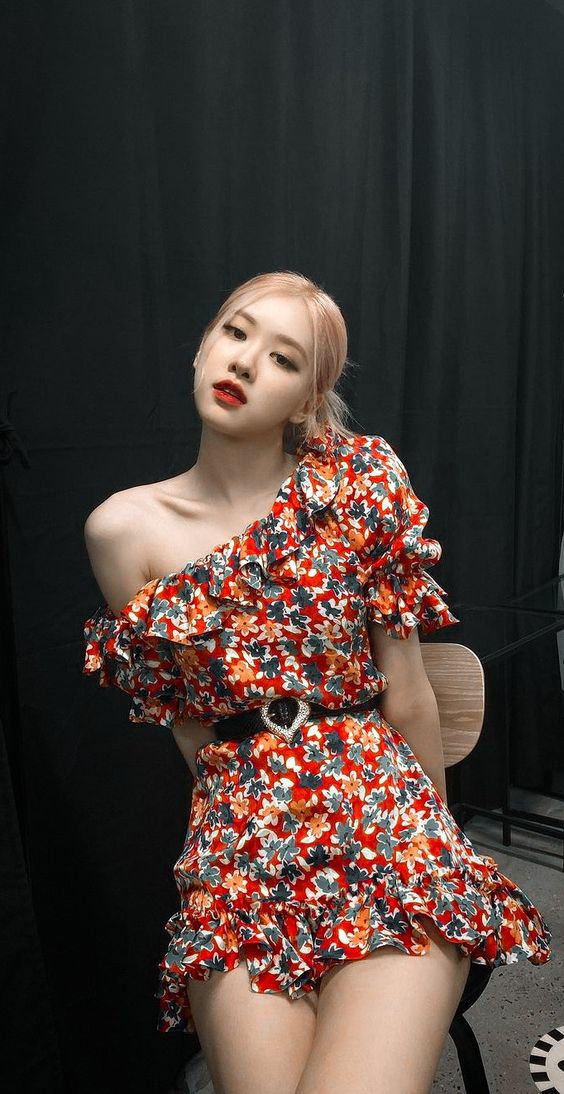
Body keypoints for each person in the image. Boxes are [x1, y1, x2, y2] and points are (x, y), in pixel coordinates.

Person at [82, 271, 552, 1094]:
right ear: (202, 346)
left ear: (308, 397)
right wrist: (244, 826)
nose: (245, 362)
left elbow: (408, 690)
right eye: (236, 332)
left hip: (383, 813)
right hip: (241, 841)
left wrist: (436, 850)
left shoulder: (356, 482)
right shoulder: (123, 529)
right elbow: (189, 728)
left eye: (283, 357)